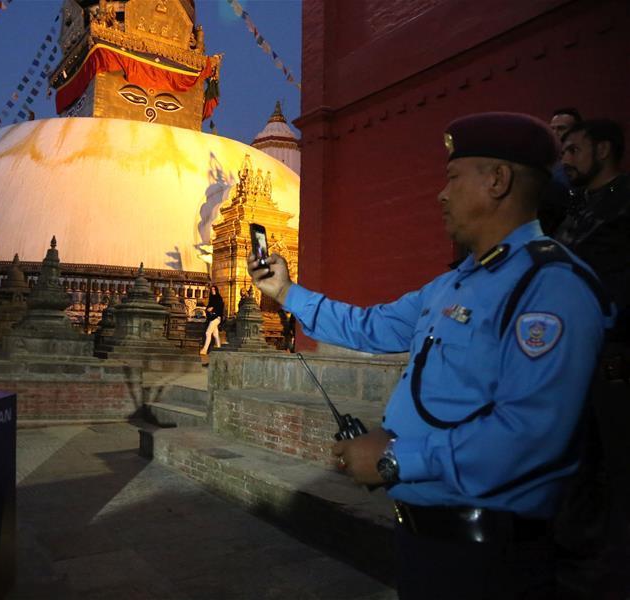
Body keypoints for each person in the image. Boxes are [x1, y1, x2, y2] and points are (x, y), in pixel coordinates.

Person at [248, 112, 613, 599]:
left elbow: (532, 435)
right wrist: (287, 292)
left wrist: (397, 460)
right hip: (425, 544)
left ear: (497, 181)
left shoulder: (549, 284)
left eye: (453, 178)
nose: (441, 194)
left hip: (491, 559)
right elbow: (372, 325)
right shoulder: (452, 284)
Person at [554, 118, 629, 598]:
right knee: (575, 464)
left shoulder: (624, 207)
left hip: (614, 355)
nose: (567, 159)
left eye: (575, 149)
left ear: (603, 150)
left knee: (617, 469)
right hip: (572, 357)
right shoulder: (575, 210)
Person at [539, 107, 583, 234]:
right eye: (552, 128)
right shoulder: (544, 162)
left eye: (561, 128)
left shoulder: (583, 165)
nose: (554, 133)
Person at [200, 285, 224, 354]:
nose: (213, 291)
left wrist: (213, 308)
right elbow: (208, 307)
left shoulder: (219, 298)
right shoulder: (211, 299)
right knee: (215, 334)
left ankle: (205, 349)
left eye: (214, 289)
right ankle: (219, 348)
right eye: (212, 290)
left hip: (216, 317)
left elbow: (220, 308)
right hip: (211, 318)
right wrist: (207, 309)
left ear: (216, 290)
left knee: (208, 333)